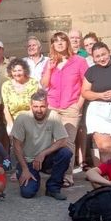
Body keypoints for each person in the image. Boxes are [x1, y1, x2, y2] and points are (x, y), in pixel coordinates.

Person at [41, 32, 87, 187]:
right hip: (53, 105)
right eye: (56, 41)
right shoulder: (50, 62)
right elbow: (44, 84)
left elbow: (86, 84)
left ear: (68, 43)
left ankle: (67, 175)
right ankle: (56, 173)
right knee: (53, 141)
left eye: (62, 40)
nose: (59, 43)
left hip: (71, 106)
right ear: (52, 45)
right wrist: (49, 68)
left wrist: (79, 104)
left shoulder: (79, 61)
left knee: (67, 141)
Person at [11, 91, 71, 200]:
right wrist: (25, 169)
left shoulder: (53, 116)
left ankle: (53, 188)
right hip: (27, 160)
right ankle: (30, 176)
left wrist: (43, 154)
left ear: (47, 105)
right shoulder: (22, 118)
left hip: (45, 158)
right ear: (30, 106)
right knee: (27, 193)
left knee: (65, 153)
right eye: (35, 106)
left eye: (42, 106)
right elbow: (16, 146)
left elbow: (63, 141)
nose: (39, 110)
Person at [0, 59, 40, 134]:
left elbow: (36, 105)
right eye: (14, 71)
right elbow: (6, 109)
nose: (17, 73)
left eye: (19, 70)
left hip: (32, 121)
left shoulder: (33, 83)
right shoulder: (6, 86)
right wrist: (11, 125)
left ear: (25, 70)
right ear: (10, 72)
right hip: (14, 121)